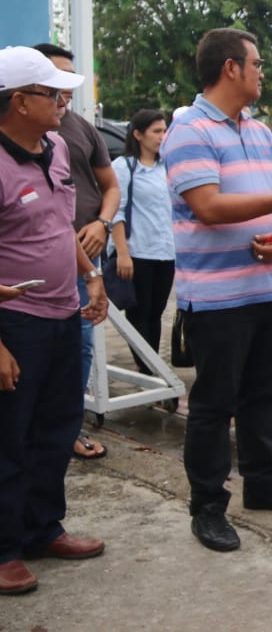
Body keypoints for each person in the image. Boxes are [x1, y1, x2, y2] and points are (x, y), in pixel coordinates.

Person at [163, 28, 272, 552]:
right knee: (214, 404)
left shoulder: (258, 133)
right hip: (216, 298)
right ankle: (208, 506)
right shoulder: (188, 131)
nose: (263, 72)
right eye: (256, 64)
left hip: (270, 290)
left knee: (261, 395)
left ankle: (263, 484)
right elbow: (208, 207)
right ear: (231, 68)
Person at [0, 46, 108, 596]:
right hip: (13, 322)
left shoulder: (59, 148)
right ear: (19, 102)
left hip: (64, 311)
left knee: (56, 429)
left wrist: (91, 275)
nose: (64, 101)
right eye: (51, 92)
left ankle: (43, 528)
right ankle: (3, 548)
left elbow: (57, 226)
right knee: (8, 439)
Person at [33, 44, 118, 461]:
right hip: (28, 273)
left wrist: (101, 225)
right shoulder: (21, 140)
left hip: (83, 256)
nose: (63, 93)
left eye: (69, 81)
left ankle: (68, 426)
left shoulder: (81, 131)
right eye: (54, 83)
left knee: (77, 347)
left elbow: (110, 187)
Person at [109, 109, 175, 373]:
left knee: (156, 314)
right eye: (156, 131)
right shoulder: (124, 167)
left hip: (166, 252)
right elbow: (117, 212)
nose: (162, 136)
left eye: (164, 130)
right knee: (139, 314)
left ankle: (153, 368)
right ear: (138, 134)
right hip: (137, 253)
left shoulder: (166, 166)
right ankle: (149, 370)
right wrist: (123, 254)